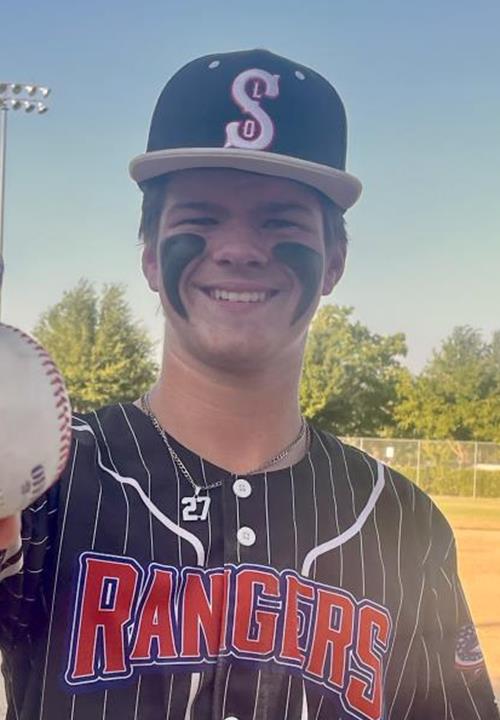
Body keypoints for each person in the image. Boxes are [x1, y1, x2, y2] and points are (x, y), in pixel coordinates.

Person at [0, 48, 498, 720]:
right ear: (150, 258)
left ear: (335, 261)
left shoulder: (403, 522)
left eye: (279, 220)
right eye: (199, 219)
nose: (238, 249)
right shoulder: (44, 486)